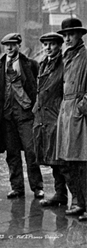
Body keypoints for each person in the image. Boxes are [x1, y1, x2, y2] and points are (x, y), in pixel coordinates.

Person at [0, 33, 44, 199]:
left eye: (13, 44)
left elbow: (39, 88)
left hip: (25, 114)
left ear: (19, 45)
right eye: (7, 45)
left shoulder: (31, 65)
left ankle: (37, 187)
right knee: (12, 154)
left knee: (31, 151)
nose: (10, 48)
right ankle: (17, 187)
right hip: (6, 117)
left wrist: (35, 109)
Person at [33, 32, 77, 207]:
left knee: (64, 162)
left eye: (52, 44)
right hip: (43, 117)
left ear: (59, 46)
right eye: (45, 45)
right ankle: (60, 194)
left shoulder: (64, 64)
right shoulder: (43, 64)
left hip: (57, 115)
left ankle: (78, 199)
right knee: (53, 160)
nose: (48, 48)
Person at [56, 17, 87, 220]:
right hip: (65, 112)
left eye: (71, 34)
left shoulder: (85, 56)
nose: (67, 38)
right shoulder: (67, 56)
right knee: (67, 162)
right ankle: (77, 201)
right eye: (65, 35)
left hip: (79, 113)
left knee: (82, 162)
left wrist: (81, 106)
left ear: (80, 35)